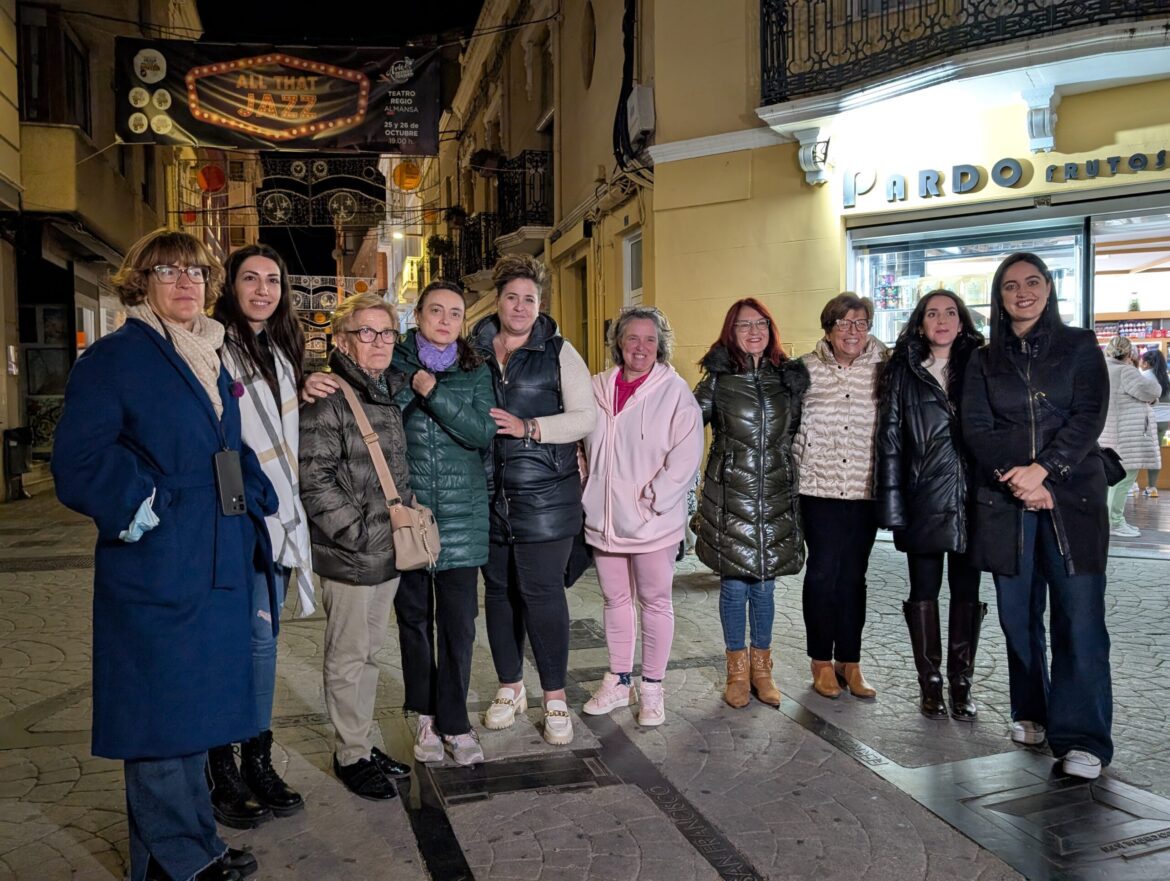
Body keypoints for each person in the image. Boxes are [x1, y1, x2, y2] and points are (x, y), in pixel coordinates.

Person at [52, 229, 272, 881]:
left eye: (197, 273)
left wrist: (253, 487)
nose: (186, 284)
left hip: (214, 553)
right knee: (160, 713)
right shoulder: (116, 358)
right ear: (141, 281)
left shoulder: (209, 353)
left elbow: (220, 442)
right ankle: (181, 857)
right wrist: (141, 502)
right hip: (156, 556)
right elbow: (78, 459)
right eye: (170, 271)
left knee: (192, 709)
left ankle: (177, 848)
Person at [962, 251, 1112, 780]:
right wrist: (1019, 477)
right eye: (1010, 286)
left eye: (1032, 282)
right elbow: (977, 427)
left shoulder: (1080, 345)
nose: (1022, 292)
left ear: (1048, 288)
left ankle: (1084, 737)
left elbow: (1088, 417)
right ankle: (1032, 710)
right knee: (1018, 618)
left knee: (1079, 619)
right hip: (1008, 503)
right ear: (999, 298)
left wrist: (1045, 471)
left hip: (1074, 501)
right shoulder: (983, 359)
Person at [203, 244, 311, 828]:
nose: (263, 289)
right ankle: (222, 768)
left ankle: (257, 760)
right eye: (251, 279)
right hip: (232, 519)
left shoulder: (282, 350)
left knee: (264, 647)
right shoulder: (213, 344)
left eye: (273, 280)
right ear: (231, 285)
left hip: (278, 519)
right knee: (232, 644)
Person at [470, 254, 597, 746]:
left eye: (530, 299)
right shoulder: (474, 351)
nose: (520, 307)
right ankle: (510, 688)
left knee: (543, 596)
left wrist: (531, 428)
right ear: (497, 301)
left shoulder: (559, 352)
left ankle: (556, 698)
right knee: (498, 595)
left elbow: (585, 417)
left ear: (539, 305)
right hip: (488, 497)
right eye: (512, 297)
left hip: (545, 496)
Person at [300, 293, 413, 800]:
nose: (379, 342)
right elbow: (314, 480)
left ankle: (362, 742)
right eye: (366, 332)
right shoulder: (329, 396)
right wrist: (360, 534)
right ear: (343, 340)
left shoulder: (381, 390)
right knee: (348, 657)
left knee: (368, 653)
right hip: (354, 553)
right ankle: (349, 755)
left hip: (384, 551)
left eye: (387, 332)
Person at [580, 307, 703, 725]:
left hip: (654, 521)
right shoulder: (595, 387)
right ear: (618, 342)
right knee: (615, 601)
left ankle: (652, 687)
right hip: (604, 520)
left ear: (660, 345)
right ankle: (618, 680)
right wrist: (586, 485)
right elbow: (580, 442)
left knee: (654, 602)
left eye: (650, 340)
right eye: (632, 338)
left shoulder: (674, 391)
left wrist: (657, 498)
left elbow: (686, 455)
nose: (641, 347)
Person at [391, 281, 496, 766]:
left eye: (455, 314)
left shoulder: (475, 371)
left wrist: (432, 392)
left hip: (461, 518)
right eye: (436, 310)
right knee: (414, 621)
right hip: (409, 516)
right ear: (418, 315)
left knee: (459, 625)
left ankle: (455, 722)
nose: (445, 320)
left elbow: (480, 432)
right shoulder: (393, 362)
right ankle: (426, 716)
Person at [692, 298, 809, 709]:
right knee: (733, 583)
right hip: (729, 494)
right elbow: (686, 424)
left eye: (761, 323)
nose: (754, 331)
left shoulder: (788, 379)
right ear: (732, 331)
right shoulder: (718, 380)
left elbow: (795, 432)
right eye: (744, 325)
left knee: (765, 585)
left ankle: (763, 671)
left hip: (775, 491)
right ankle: (737, 672)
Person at [876, 290, 987, 720]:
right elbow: (889, 442)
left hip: (974, 499)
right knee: (923, 591)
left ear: (963, 321)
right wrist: (892, 505)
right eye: (931, 314)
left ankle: (962, 683)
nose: (941, 320)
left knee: (967, 591)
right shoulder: (902, 370)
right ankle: (931, 684)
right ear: (920, 323)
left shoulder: (982, 364)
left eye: (950, 313)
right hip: (923, 497)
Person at [792, 293, 887, 700]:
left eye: (862, 323)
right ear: (828, 328)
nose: (854, 331)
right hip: (818, 488)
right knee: (822, 574)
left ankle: (850, 661)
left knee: (854, 577)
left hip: (865, 488)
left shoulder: (885, 369)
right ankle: (820, 661)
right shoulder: (804, 371)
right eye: (845, 323)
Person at [1100, 335, 1161, 537]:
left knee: (1112, 481)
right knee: (1124, 479)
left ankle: (1112, 521)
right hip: (1128, 436)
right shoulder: (1126, 371)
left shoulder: (1101, 370)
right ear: (1129, 353)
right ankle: (1115, 522)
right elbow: (1153, 390)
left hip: (1107, 434)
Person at [1139, 347, 1170, 496]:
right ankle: (1152, 487)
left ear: (1146, 363)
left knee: (1137, 452)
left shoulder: (1143, 376)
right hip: (1164, 421)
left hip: (1147, 419)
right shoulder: (1166, 378)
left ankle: (1132, 485)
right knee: (1156, 454)